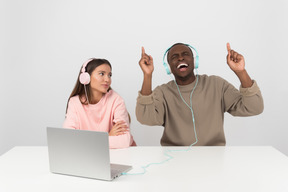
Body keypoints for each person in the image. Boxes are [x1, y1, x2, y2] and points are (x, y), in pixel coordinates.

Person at [136, 43, 264, 146]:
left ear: (194, 61)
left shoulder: (216, 84)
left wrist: (240, 72)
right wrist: (147, 75)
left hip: (214, 159)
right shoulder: (163, 92)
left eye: (185, 54)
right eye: (174, 57)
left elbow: (254, 108)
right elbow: (145, 118)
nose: (180, 58)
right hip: (174, 160)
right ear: (169, 67)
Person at [63, 58, 136, 148]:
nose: (107, 79)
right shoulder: (75, 102)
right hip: (90, 156)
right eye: (102, 74)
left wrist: (86, 142)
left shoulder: (116, 100)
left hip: (119, 155)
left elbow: (124, 140)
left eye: (109, 75)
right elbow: (68, 139)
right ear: (85, 77)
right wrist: (107, 136)